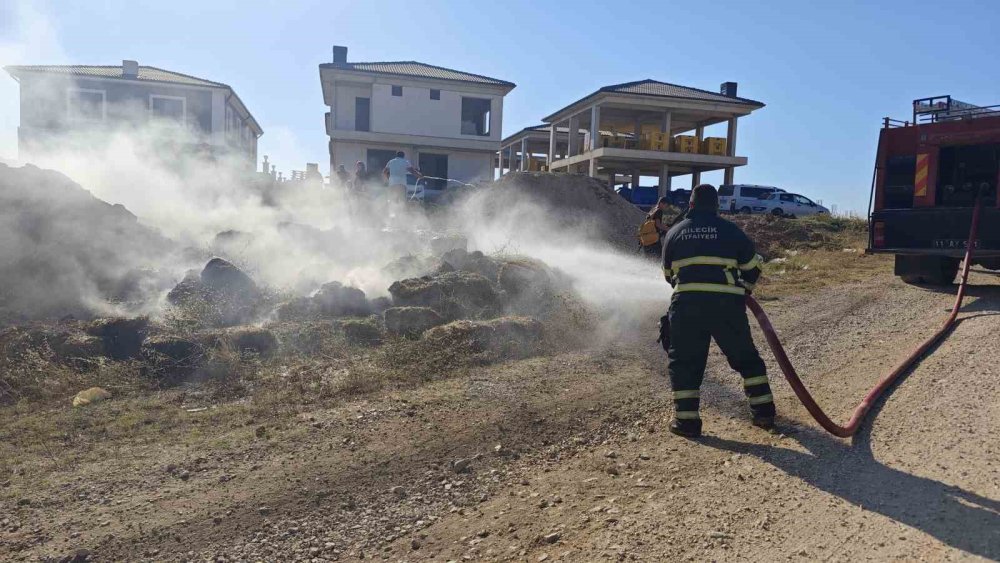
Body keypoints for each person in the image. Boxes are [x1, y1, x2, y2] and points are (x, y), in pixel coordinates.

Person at [661, 184, 775, 438]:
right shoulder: (731, 231)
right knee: (746, 359)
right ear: (716, 206)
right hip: (727, 307)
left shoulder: (675, 233)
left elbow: (669, 276)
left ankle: (686, 423)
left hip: (687, 307)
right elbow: (753, 268)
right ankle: (764, 414)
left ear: (690, 205)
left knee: (685, 363)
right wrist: (743, 289)